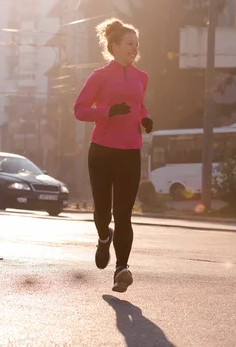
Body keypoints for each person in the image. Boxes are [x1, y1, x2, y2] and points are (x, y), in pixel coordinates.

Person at [74, 18, 153, 293]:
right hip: (102, 151)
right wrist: (108, 111)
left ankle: (122, 269)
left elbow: (140, 105)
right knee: (102, 212)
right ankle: (103, 238)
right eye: (130, 43)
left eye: (137, 44)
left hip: (130, 151)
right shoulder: (99, 76)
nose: (135, 48)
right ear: (115, 45)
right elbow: (80, 110)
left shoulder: (141, 77)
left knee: (124, 214)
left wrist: (146, 119)